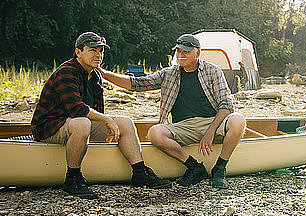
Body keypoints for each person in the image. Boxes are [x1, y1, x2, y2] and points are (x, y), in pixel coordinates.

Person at [31, 32, 172, 199]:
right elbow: (76, 109)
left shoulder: (96, 74)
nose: (98, 55)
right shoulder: (66, 72)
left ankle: (140, 172)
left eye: (101, 51)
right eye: (92, 50)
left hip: (77, 123)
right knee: (82, 123)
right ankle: (73, 179)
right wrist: (106, 120)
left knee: (125, 122)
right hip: (49, 127)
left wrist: (108, 123)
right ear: (78, 52)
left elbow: (97, 111)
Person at [100, 33, 246, 189]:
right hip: (183, 127)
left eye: (186, 52)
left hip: (213, 122)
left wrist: (210, 131)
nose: (181, 55)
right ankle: (195, 167)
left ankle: (220, 168)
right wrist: (103, 74)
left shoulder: (213, 71)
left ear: (197, 52)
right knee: (155, 132)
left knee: (238, 120)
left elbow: (226, 105)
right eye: (179, 52)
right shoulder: (169, 73)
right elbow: (137, 84)